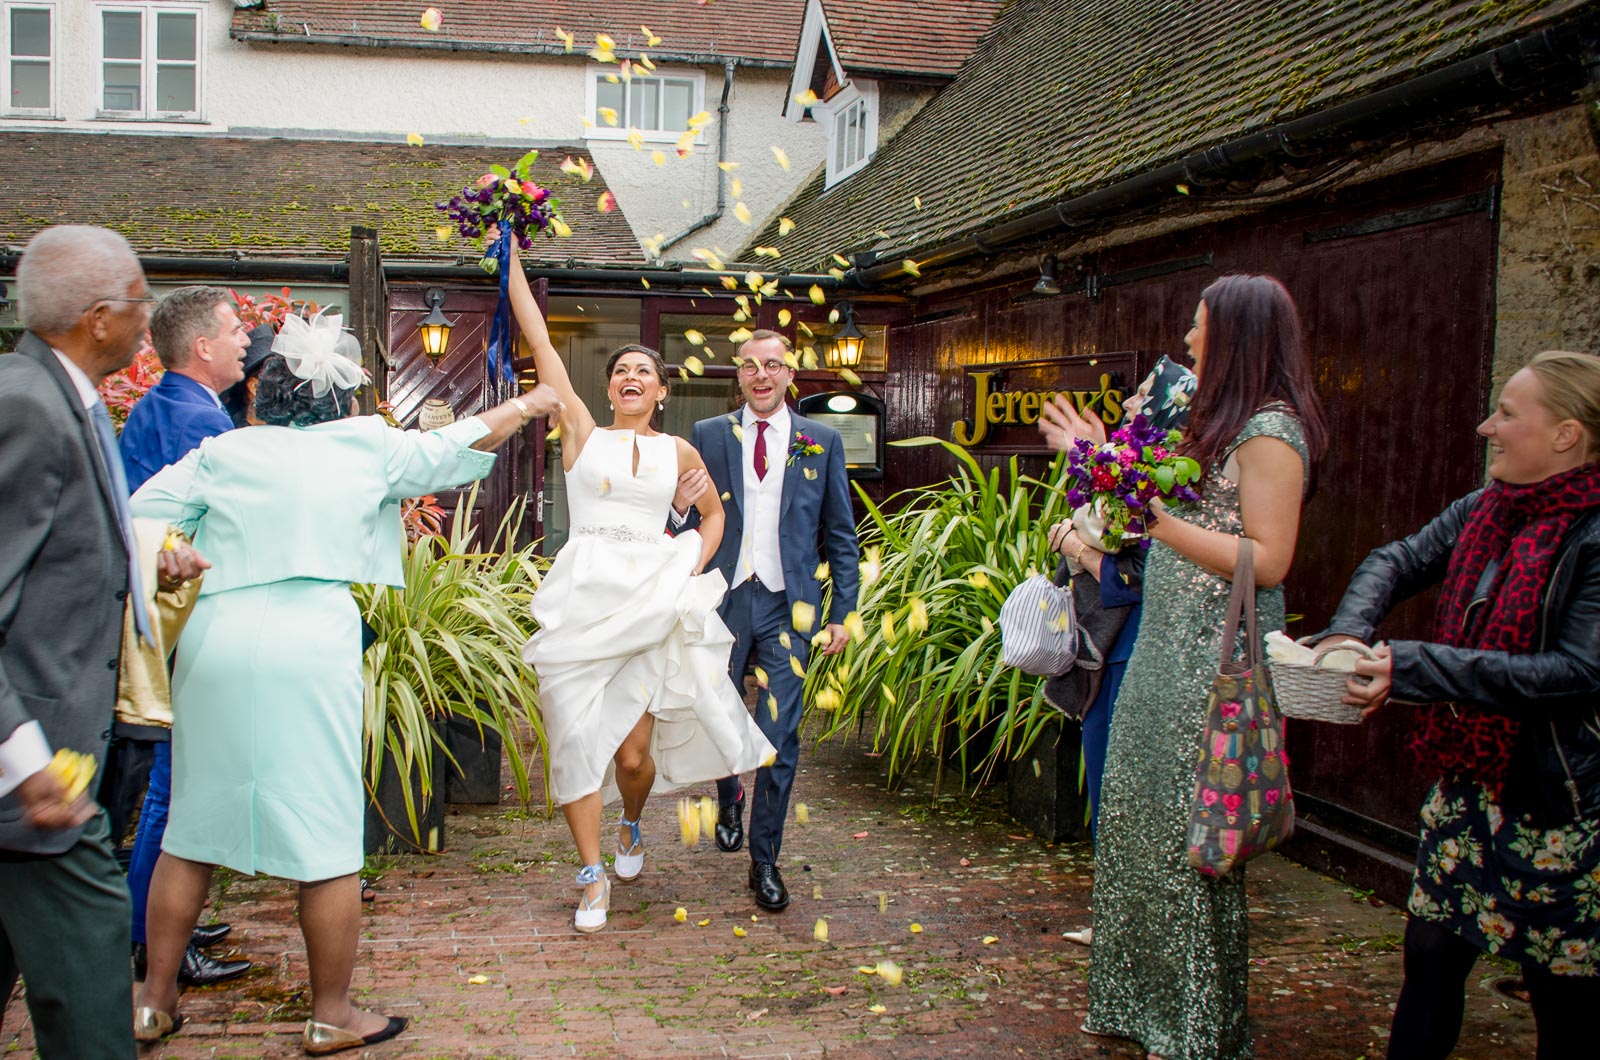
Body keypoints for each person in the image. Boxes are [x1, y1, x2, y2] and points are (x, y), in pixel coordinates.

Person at [128, 310, 561, 1053]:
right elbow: (456, 443)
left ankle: (151, 1002)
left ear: (272, 392)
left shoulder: (224, 451)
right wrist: (530, 403)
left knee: (190, 831)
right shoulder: (367, 447)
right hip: (311, 640)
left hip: (218, 638)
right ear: (341, 396)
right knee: (327, 833)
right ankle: (331, 1012)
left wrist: (172, 551)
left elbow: (139, 514)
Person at [1320, 350, 1600, 1059]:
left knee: (1565, 1001)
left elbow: (1572, 673)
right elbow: (1395, 560)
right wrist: (1352, 633)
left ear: (1566, 434)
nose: (1486, 426)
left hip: (1563, 808)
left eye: (1507, 413)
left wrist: (1412, 666)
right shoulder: (1486, 507)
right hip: (1471, 792)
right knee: (1431, 961)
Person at [502, 230, 775, 934]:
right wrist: (510, 260)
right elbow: (542, 345)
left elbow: (715, 519)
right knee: (570, 737)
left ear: (660, 389)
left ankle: (630, 822)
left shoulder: (676, 451)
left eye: (643, 371)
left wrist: (688, 560)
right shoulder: (583, 435)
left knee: (632, 754)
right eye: (621, 368)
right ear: (609, 386)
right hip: (582, 597)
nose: (630, 376)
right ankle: (591, 874)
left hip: (648, 602)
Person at [1083, 274, 1328, 1060]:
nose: (1188, 342)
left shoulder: (1271, 433)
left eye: (1199, 328)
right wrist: (1103, 464)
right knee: (1137, 820)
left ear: (1239, 337)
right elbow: (1148, 512)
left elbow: (1270, 558)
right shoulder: (1214, 425)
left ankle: (1192, 1024)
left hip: (1212, 661)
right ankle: (1139, 1004)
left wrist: (1157, 520)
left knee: (1192, 839)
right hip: (1164, 647)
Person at [0, 224, 203, 1059]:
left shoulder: (64, 399)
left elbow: (48, 553)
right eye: (137, 302)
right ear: (96, 318)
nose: (147, 319)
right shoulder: (23, 405)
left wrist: (144, 566)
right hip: (37, 765)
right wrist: (25, 759)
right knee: (90, 962)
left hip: (53, 749)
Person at [671, 330, 861, 912]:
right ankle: (728, 795)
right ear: (738, 374)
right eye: (750, 366)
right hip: (726, 599)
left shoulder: (820, 441)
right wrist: (679, 509)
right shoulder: (708, 435)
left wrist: (843, 614)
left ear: (788, 374)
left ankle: (765, 860)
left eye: (772, 365)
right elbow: (687, 522)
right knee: (722, 716)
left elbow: (840, 537)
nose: (761, 375)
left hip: (789, 604)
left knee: (780, 736)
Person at [114, 286, 255, 988]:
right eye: (234, 331)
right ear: (202, 346)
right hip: (174, 618)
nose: (243, 341)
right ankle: (153, 940)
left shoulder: (168, 403)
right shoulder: (201, 422)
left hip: (153, 611)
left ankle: (170, 918)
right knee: (174, 785)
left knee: (175, 779)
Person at [1038, 356, 1196, 949]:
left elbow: (1146, 575)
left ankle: (1130, 926)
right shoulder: (1141, 475)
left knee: (1123, 789)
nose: (1130, 404)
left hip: (1132, 650)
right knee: (1108, 786)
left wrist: (1080, 551)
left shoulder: (1175, 489)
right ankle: (1117, 916)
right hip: (1110, 648)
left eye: (1144, 397)